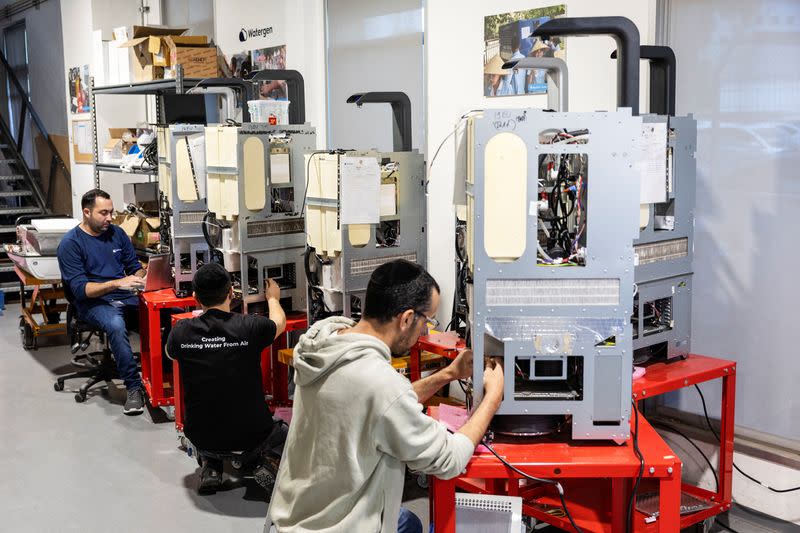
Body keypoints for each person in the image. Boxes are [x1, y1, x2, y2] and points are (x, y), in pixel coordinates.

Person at [268, 259, 504, 533]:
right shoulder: (380, 383)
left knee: (408, 522)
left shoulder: (323, 343)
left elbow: (378, 405)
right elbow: (449, 459)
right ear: (406, 319)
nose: (426, 330)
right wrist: (493, 397)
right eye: (427, 320)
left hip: (297, 515)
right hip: (341, 527)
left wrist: (447, 374)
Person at [165, 263, 288, 494]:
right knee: (285, 432)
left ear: (194, 297)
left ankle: (211, 466)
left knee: (211, 428)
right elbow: (279, 324)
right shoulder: (249, 327)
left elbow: (170, 353)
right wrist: (273, 298)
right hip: (252, 433)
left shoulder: (181, 331)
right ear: (231, 293)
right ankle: (267, 463)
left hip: (200, 433)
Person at [57, 189, 148, 415]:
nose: (109, 218)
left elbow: (132, 265)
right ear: (86, 212)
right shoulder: (71, 244)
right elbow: (81, 290)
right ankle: (134, 388)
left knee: (168, 313)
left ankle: (166, 379)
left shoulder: (117, 234)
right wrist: (117, 283)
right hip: (90, 302)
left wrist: (144, 273)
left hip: (124, 295)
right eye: (103, 213)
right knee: (116, 325)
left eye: (111, 212)